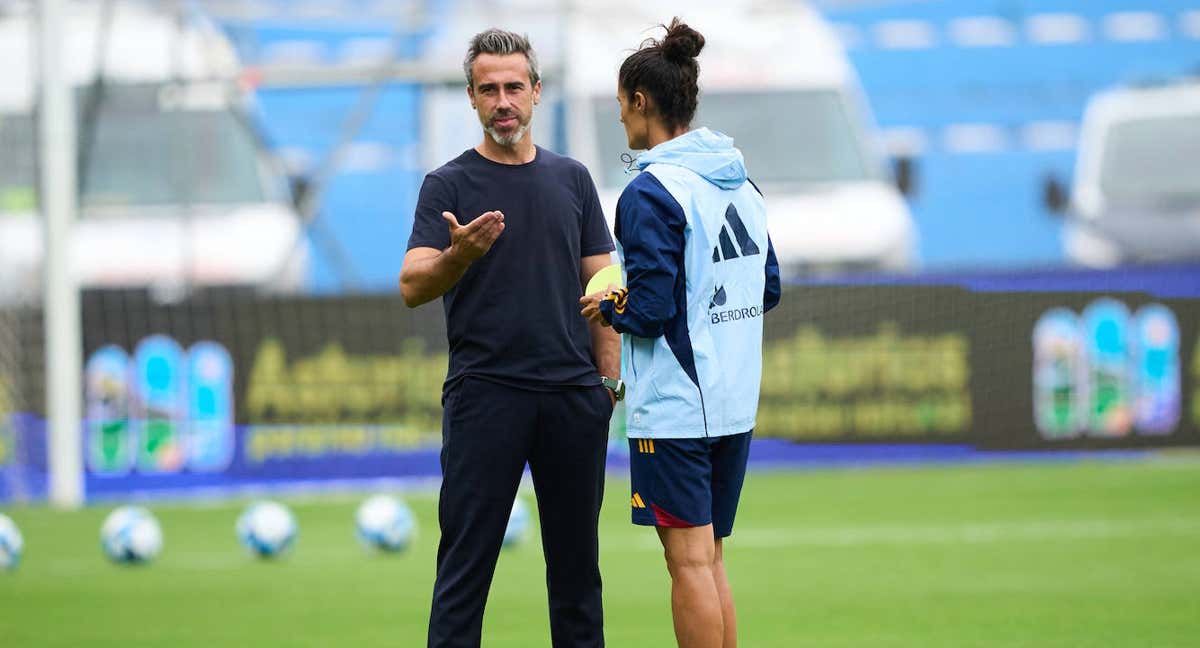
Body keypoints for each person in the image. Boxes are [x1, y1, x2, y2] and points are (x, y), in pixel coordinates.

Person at [400, 28, 621, 648]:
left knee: (578, 577)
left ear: (536, 93)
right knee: (464, 574)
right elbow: (413, 284)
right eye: (489, 89)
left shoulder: (572, 179)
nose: (503, 100)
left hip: (573, 399)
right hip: (486, 397)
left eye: (514, 87)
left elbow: (602, 285)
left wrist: (606, 382)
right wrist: (457, 257)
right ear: (471, 98)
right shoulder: (447, 186)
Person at [579, 18, 780, 648]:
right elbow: (766, 287)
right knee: (710, 556)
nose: (621, 121)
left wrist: (610, 309)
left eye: (621, 107)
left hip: (677, 407)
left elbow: (652, 309)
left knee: (688, 562)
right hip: (733, 402)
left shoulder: (650, 191)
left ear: (642, 103)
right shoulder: (740, 181)